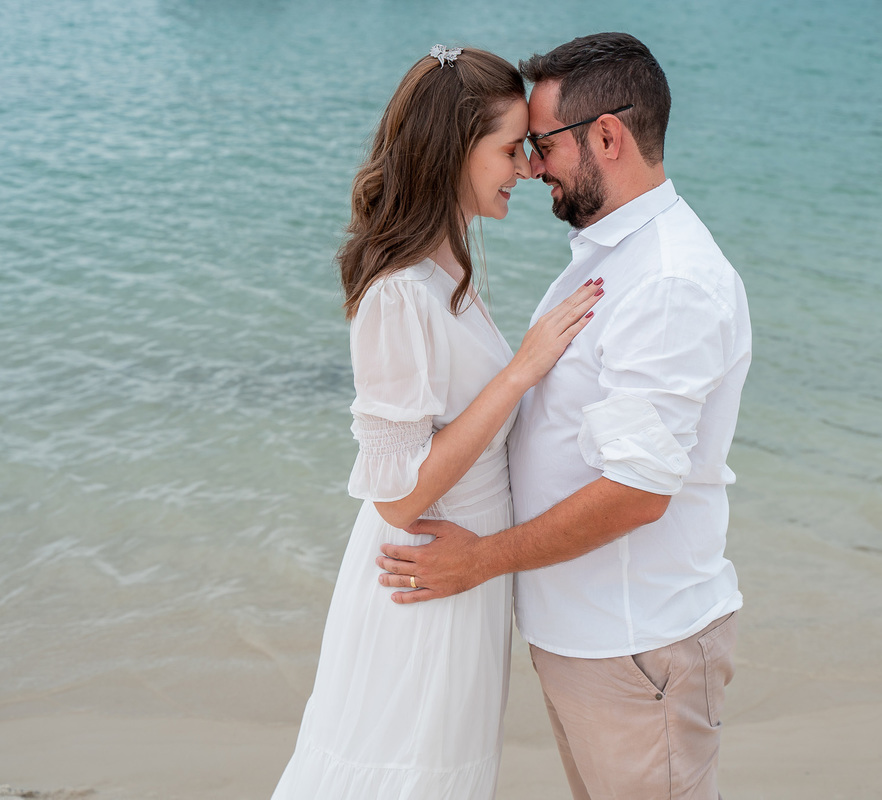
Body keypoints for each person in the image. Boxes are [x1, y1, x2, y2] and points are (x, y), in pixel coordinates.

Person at [377, 32, 752, 800]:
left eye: (543, 144)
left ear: (607, 136)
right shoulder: (611, 252)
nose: (532, 165)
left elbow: (637, 493)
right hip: (593, 641)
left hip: (636, 645)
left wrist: (479, 561)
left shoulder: (669, 282)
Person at [272, 45, 602, 800]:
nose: (525, 169)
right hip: (421, 584)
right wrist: (522, 369)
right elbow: (396, 496)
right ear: (453, 151)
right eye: (507, 149)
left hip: (459, 574)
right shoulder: (399, 294)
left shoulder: (448, 267)